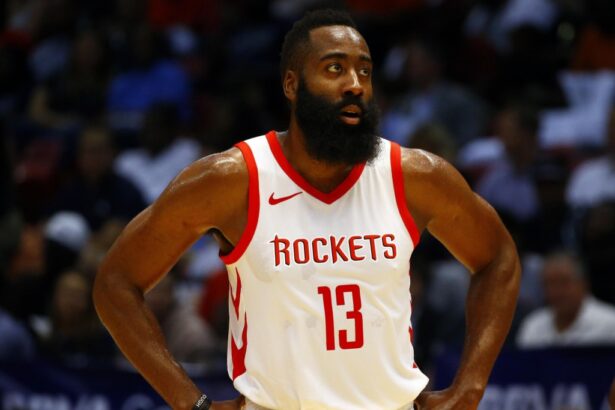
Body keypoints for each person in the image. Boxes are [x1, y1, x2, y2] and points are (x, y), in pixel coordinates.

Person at [93, 9, 520, 410]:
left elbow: (498, 257)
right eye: (335, 68)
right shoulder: (233, 180)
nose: (355, 85)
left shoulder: (413, 176)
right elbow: (116, 284)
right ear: (292, 85)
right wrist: (193, 403)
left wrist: (470, 385)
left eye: (364, 71)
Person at [516, 250, 615, 348]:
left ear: (583, 283)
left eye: (563, 283)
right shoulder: (532, 325)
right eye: (549, 284)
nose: (556, 292)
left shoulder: (610, 323)